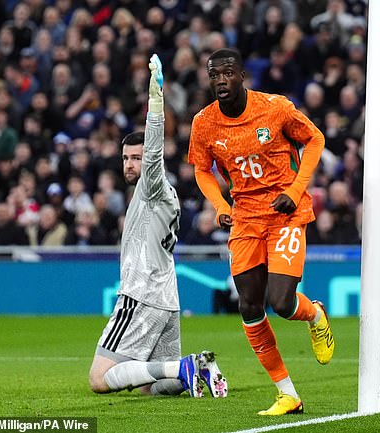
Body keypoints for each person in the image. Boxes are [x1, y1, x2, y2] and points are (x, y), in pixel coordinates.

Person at [188, 48, 334, 415]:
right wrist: (221, 206)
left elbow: (315, 139)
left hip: (285, 212)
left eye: (228, 73)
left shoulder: (275, 108)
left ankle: (315, 315)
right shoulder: (203, 123)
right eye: (214, 75)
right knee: (249, 305)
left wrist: (295, 191)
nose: (221, 80)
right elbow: (201, 169)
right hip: (245, 217)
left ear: (242, 76)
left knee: (282, 303)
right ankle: (288, 394)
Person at [88, 54, 228, 399]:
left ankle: (182, 367)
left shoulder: (152, 186)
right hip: (166, 297)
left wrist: (155, 100)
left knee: (100, 379)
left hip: (141, 294)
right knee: (153, 388)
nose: (130, 164)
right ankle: (197, 368)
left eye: (136, 158)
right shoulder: (164, 194)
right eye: (125, 158)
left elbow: (153, 154)